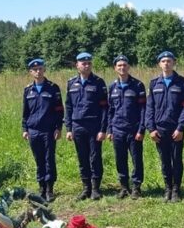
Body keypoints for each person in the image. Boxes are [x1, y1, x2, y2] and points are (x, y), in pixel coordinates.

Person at [146, 51, 184, 202]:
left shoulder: (182, 82)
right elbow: (149, 108)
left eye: (169, 61)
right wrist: (151, 129)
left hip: (176, 129)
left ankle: (176, 189)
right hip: (159, 129)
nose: (166, 63)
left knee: (176, 160)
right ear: (159, 64)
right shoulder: (154, 83)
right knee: (164, 161)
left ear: (174, 63)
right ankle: (168, 188)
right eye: (163, 61)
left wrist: (180, 127)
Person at [64, 52, 108, 200]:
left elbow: (104, 107)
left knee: (95, 157)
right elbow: (68, 106)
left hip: (94, 125)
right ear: (77, 65)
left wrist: (103, 129)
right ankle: (86, 188)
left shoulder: (98, 82)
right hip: (77, 125)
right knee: (82, 157)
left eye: (89, 63)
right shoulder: (71, 83)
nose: (87, 66)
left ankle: (95, 188)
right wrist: (68, 128)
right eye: (83, 63)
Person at [21, 58, 64, 202]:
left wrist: (58, 128)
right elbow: (25, 112)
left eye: (40, 68)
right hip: (33, 130)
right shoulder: (28, 90)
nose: (38, 71)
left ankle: (50, 189)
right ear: (31, 72)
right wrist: (24, 128)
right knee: (38, 159)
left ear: (44, 70)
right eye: (35, 69)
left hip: (48, 130)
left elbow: (59, 110)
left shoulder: (53, 88)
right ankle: (41, 188)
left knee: (49, 158)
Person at [107, 55, 147, 199]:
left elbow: (143, 109)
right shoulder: (112, 87)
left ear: (128, 67)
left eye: (124, 65)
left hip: (134, 130)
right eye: (119, 65)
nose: (122, 68)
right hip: (117, 129)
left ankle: (136, 187)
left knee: (136, 159)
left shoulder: (138, 85)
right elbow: (110, 110)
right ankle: (124, 187)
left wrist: (141, 129)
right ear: (115, 68)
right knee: (120, 159)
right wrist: (109, 130)